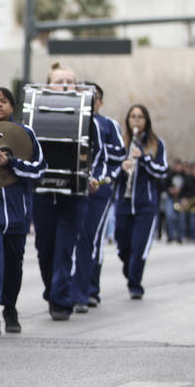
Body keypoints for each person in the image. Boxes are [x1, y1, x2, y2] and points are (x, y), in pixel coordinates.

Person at [31, 63, 106, 320]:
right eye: (59, 81)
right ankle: (53, 289)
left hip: (75, 195)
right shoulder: (35, 113)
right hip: (42, 192)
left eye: (70, 81)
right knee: (44, 248)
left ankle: (60, 299)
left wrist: (94, 176)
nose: (65, 85)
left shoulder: (89, 117)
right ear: (48, 86)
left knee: (64, 248)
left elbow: (101, 155)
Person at [0, 86, 46, 336]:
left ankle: (10, 308)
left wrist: (11, 163)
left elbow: (39, 169)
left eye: (4, 101)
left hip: (18, 213)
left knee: (14, 264)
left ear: (12, 107)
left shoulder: (26, 133)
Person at [77, 82, 125, 308]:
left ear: (100, 102)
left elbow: (119, 153)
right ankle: (71, 287)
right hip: (75, 187)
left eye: (93, 97)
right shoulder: (74, 120)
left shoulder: (108, 125)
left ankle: (90, 288)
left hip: (100, 186)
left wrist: (99, 147)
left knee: (92, 238)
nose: (89, 99)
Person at [113, 104, 168, 299]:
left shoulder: (156, 144)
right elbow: (111, 172)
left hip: (145, 204)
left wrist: (143, 159)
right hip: (124, 202)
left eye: (140, 117)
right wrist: (122, 167)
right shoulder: (121, 142)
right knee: (122, 245)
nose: (136, 120)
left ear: (146, 120)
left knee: (139, 246)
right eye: (133, 117)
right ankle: (131, 271)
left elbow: (162, 171)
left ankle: (135, 283)